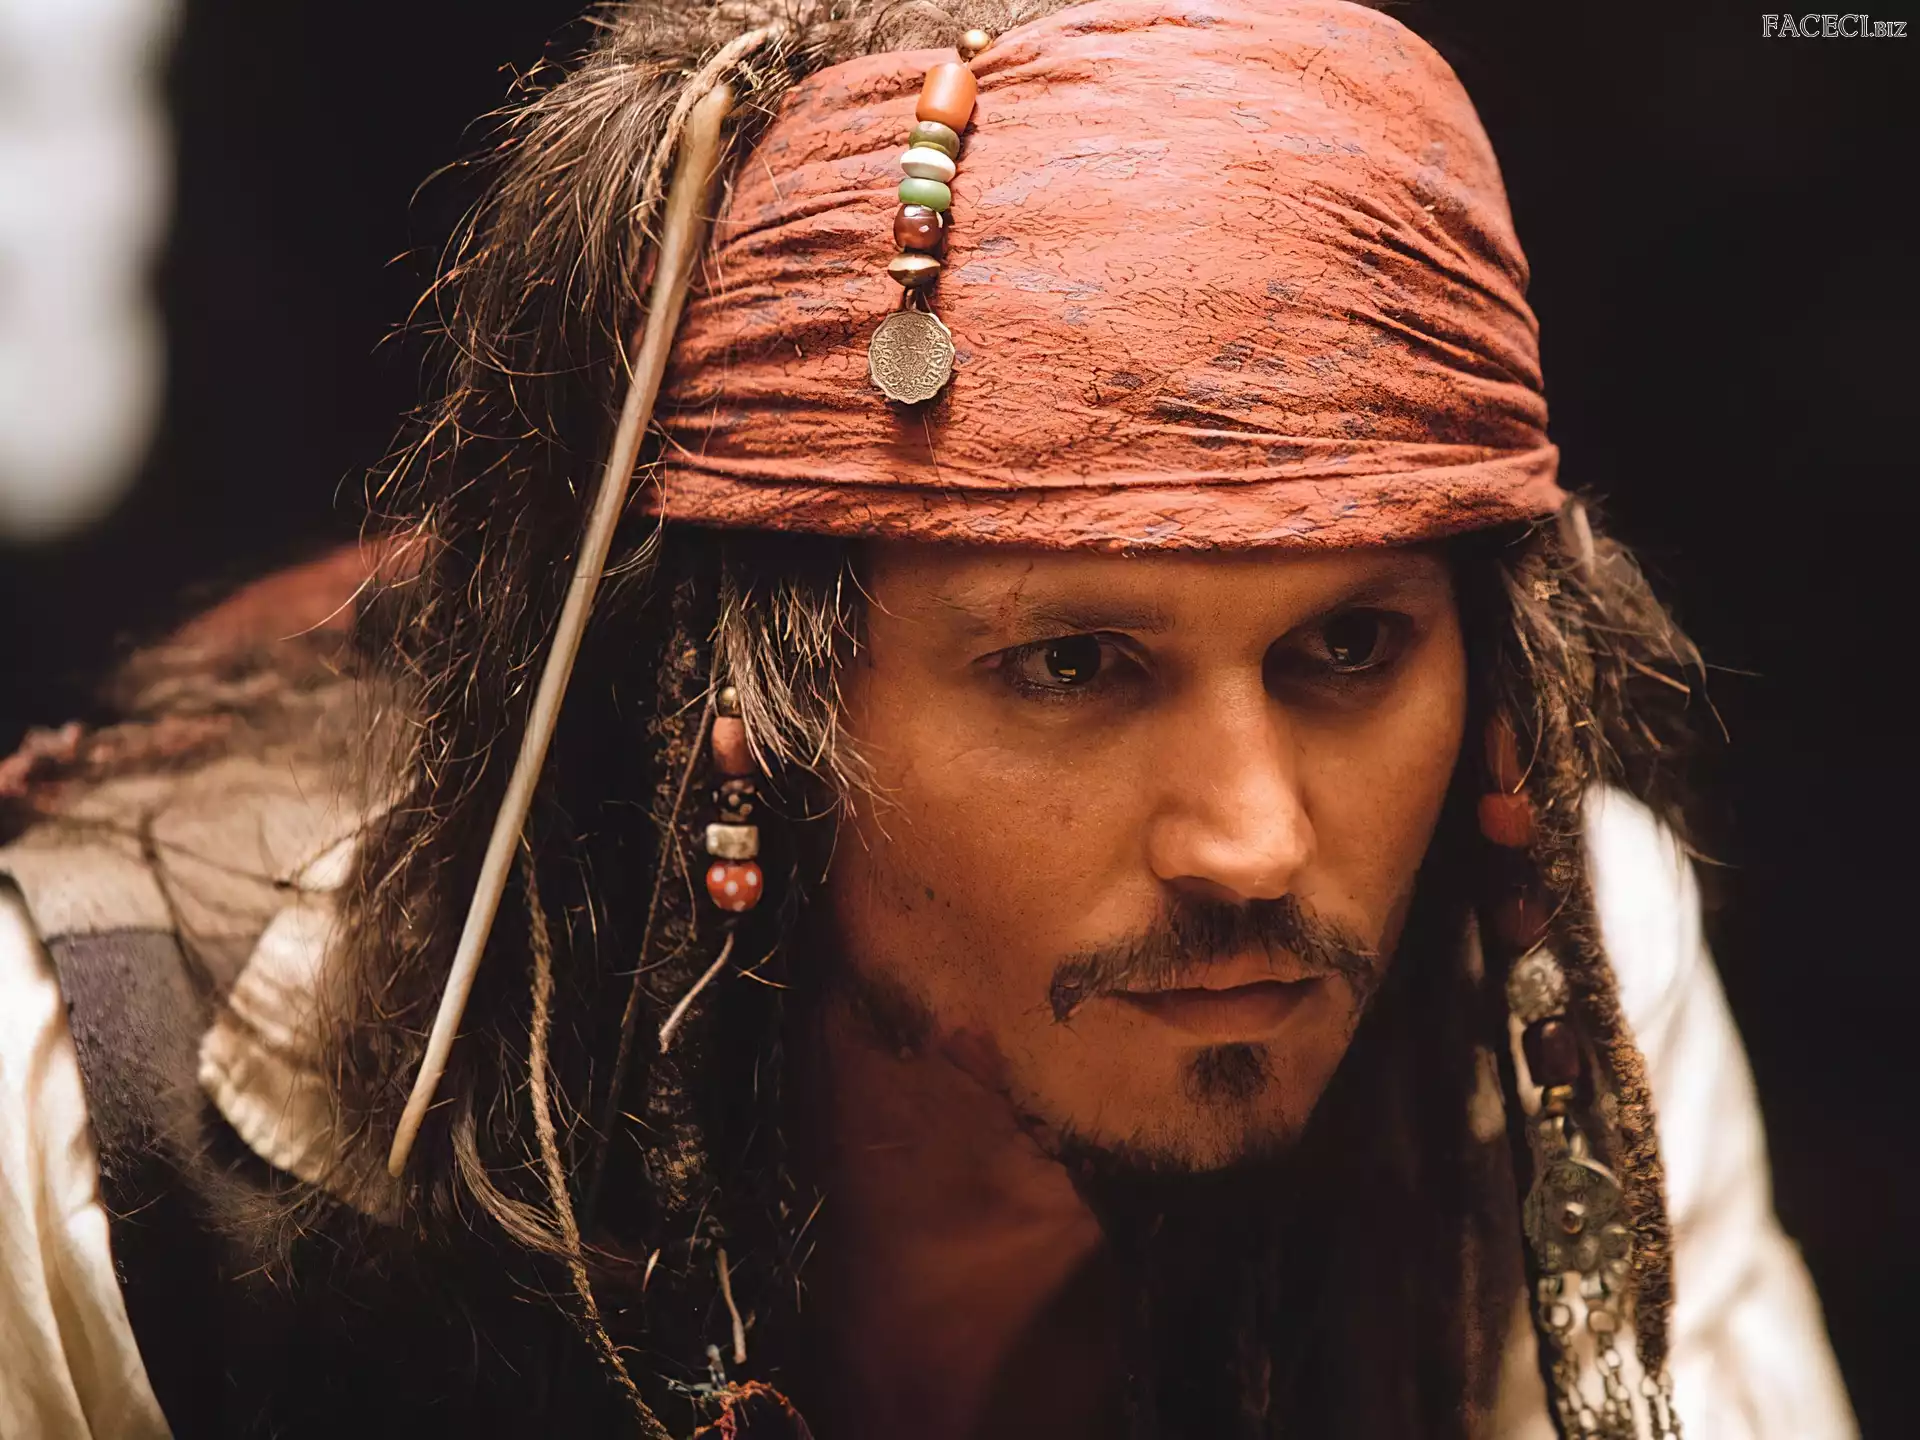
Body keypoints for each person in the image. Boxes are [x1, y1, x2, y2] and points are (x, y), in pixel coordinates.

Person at [0, 2, 1858, 1436]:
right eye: (1072, 666)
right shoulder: (111, 1121)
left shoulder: (1548, 974)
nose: (1255, 841)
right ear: (744, 704)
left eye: (1351, 650)